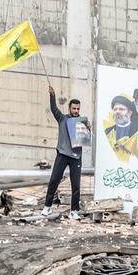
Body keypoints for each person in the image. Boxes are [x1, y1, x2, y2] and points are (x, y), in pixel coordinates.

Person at [42, 86, 90, 220]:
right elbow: (54, 109)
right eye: (74, 108)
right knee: (54, 181)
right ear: (69, 108)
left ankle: (74, 210)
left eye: (78, 109)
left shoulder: (82, 122)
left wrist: (88, 130)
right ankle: (47, 206)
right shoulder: (62, 119)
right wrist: (52, 96)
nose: (76, 111)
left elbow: (85, 140)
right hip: (62, 154)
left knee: (76, 185)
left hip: (76, 157)